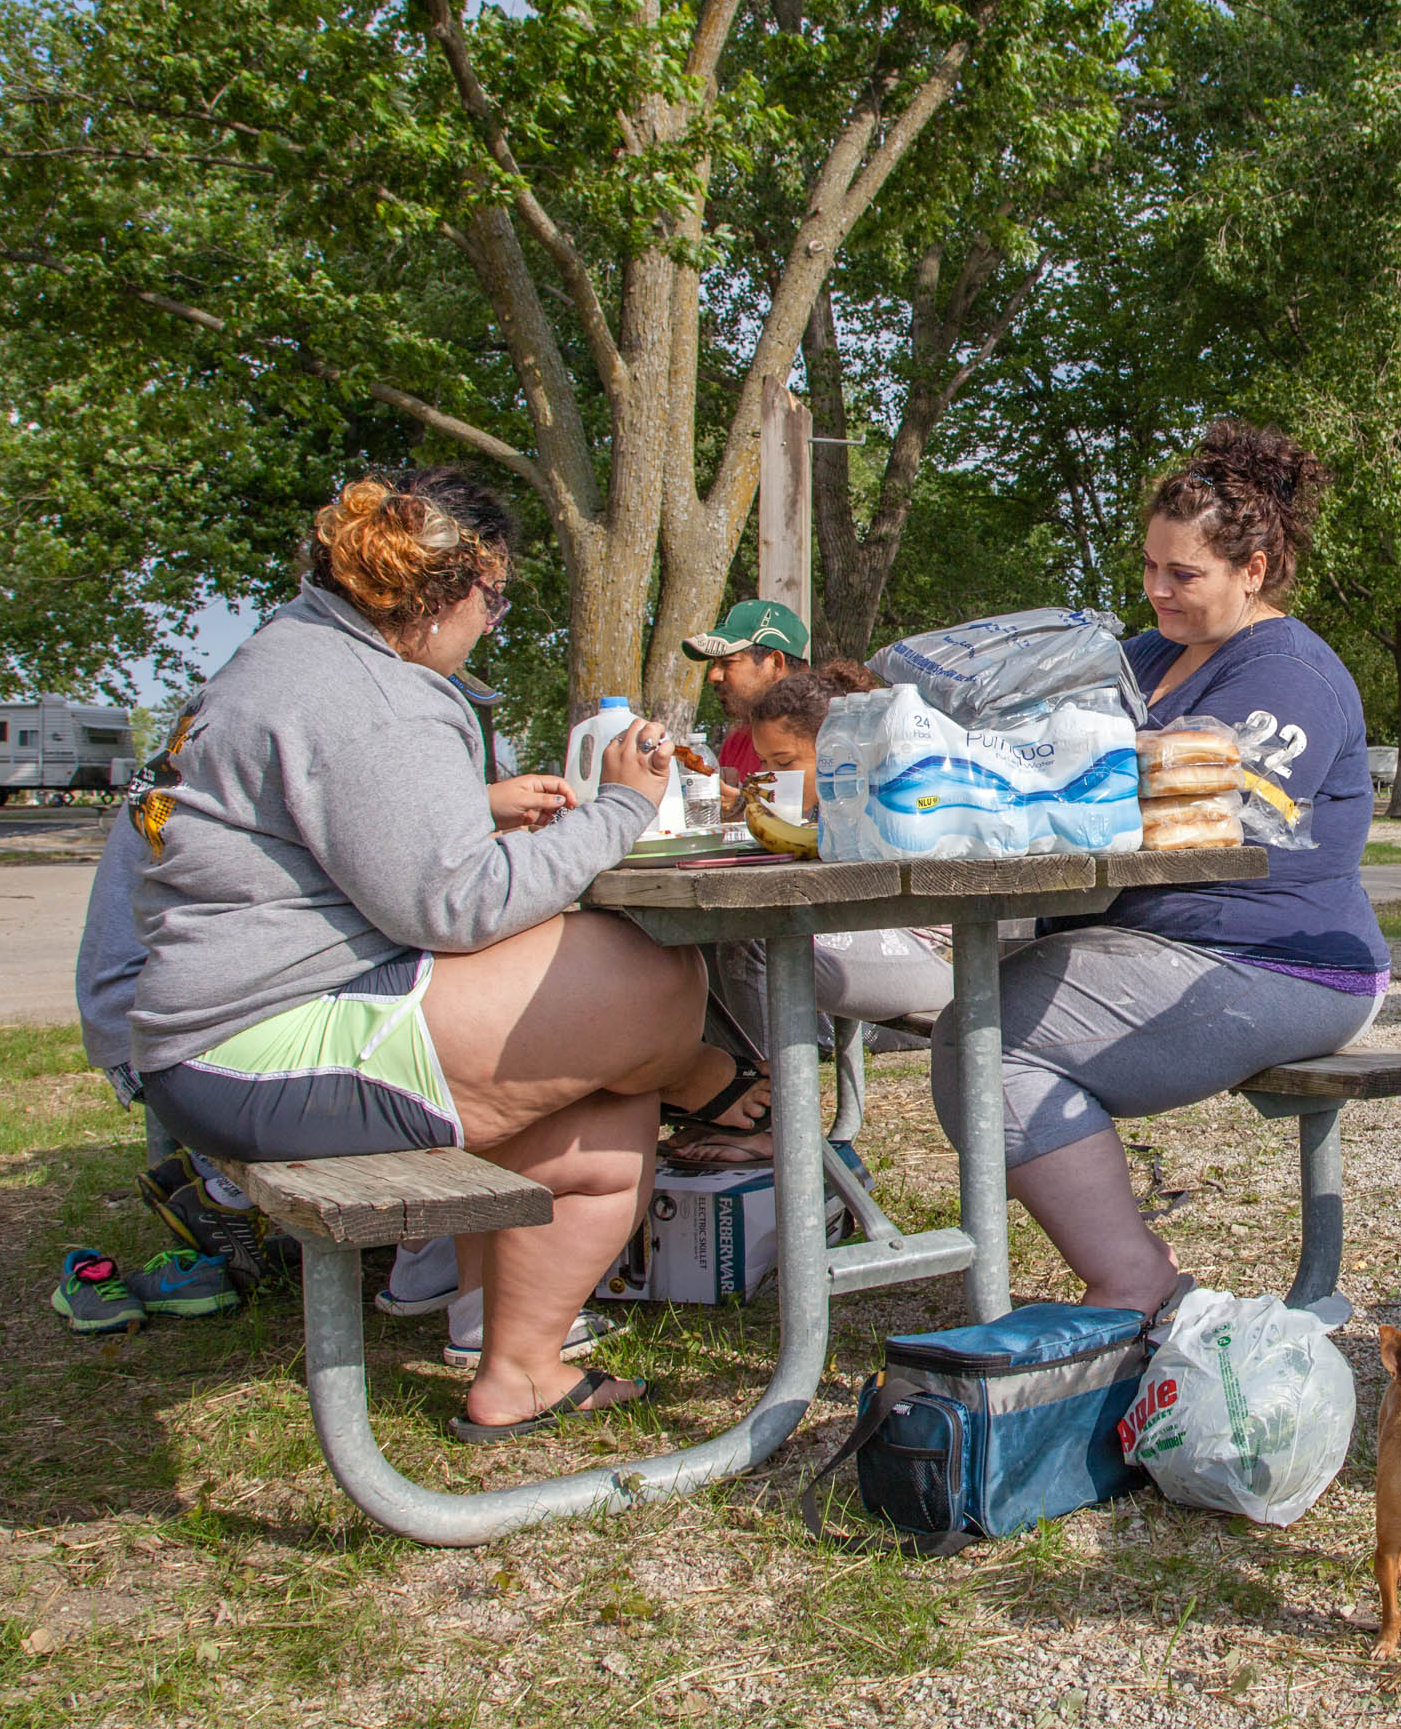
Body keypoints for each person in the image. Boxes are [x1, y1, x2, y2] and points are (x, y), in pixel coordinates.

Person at [129, 469, 765, 1440]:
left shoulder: (293, 657)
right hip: (261, 1048)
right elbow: (456, 903)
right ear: (442, 592)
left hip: (232, 1037)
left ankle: (519, 1372)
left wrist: (487, 813)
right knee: (655, 976)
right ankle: (721, 1083)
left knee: (608, 1126)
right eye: (493, 599)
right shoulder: (376, 691)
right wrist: (626, 808)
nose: (494, 621)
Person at [929, 421, 1386, 1312]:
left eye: (1184, 575)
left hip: (1282, 964)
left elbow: (1206, 829)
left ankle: (1135, 1281)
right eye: (1148, 567)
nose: (1157, 592)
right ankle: (1136, 1271)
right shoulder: (1143, 657)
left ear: (1252, 571)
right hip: (1156, 948)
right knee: (977, 1021)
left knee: (985, 1043)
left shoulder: (1291, 671)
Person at [680, 666, 956, 1166]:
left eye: (783, 761)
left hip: (930, 959)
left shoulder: (892, 794)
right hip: (843, 946)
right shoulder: (811, 815)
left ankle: (781, 1127)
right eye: (763, 762)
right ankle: (733, 1096)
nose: (768, 778)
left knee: (754, 943)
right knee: (697, 941)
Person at [681, 598, 811, 798]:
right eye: (714, 664)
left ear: (775, 664)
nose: (713, 676)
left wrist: (745, 805)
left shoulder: (825, 734)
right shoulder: (738, 740)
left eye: (728, 662)